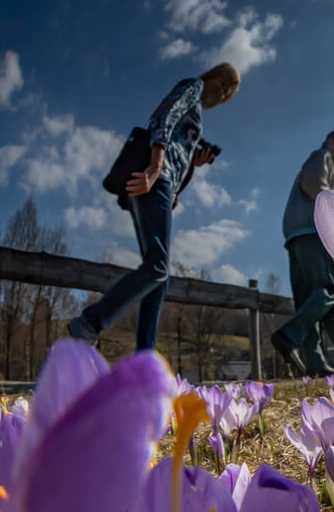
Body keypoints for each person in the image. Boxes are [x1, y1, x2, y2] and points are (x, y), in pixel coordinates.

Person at [67, 63, 241, 350]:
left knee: (160, 275)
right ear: (212, 76)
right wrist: (154, 167)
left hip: (163, 182)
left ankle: (144, 353)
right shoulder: (192, 86)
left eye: (227, 94)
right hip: (155, 178)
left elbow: (177, 158)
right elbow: (163, 117)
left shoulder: (196, 113)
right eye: (223, 84)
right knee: (158, 267)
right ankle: (90, 322)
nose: (222, 93)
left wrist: (192, 164)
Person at [271, 130, 334, 377]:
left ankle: (315, 362)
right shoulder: (323, 157)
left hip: (295, 234)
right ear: (331, 141)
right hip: (312, 230)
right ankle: (288, 336)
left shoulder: (324, 160)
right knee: (327, 290)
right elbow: (313, 185)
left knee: (306, 301)